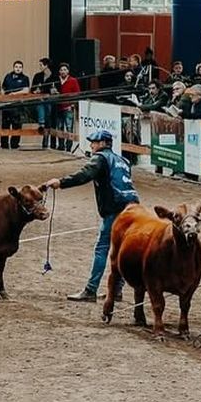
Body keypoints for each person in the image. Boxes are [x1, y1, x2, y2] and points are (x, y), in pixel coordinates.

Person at [43, 129, 140, 302]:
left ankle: (91, 289)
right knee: (121, 251)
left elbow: (84, 175)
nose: (91, 146)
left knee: (102, 248)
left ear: (102, 143)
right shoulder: (124, 160)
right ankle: (116, 290)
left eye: (94, 142)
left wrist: (61, 182)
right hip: (133, 209)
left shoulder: (101, 158)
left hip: (114, 210)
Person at [0, 60, 31, 149]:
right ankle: (4, 144)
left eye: (20, 67)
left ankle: (14, 144)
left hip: (18, 106)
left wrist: (14, 94)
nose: (18, 69)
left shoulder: (25, 78)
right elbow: (3, 88)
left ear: (22, 68)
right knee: (5, 125)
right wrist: (3, 97)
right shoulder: (8, 76)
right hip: (7, 105)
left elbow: (26, 90)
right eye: (16, 67)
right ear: (13, 67)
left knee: (16, 125)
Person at [55, 62, 81, 151]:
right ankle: (61, 145)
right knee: (59, 127)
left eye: (65, 70)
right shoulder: (56, 81)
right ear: (59, 71)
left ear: (68, 71)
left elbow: (77, 94)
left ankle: (69, 146)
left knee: (69, 127)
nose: (63, 71)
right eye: (61, 70)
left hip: (68, 107)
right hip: (58, 107)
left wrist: (73, 104)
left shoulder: (73, 80)